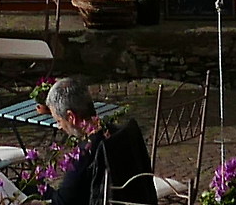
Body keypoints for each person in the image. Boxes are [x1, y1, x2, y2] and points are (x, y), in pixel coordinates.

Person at [46, 75, 156, 205]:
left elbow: (63, 201)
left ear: (71, 117)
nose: (59, 126)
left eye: (59, 120)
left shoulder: (85, 153)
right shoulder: (116, 132)